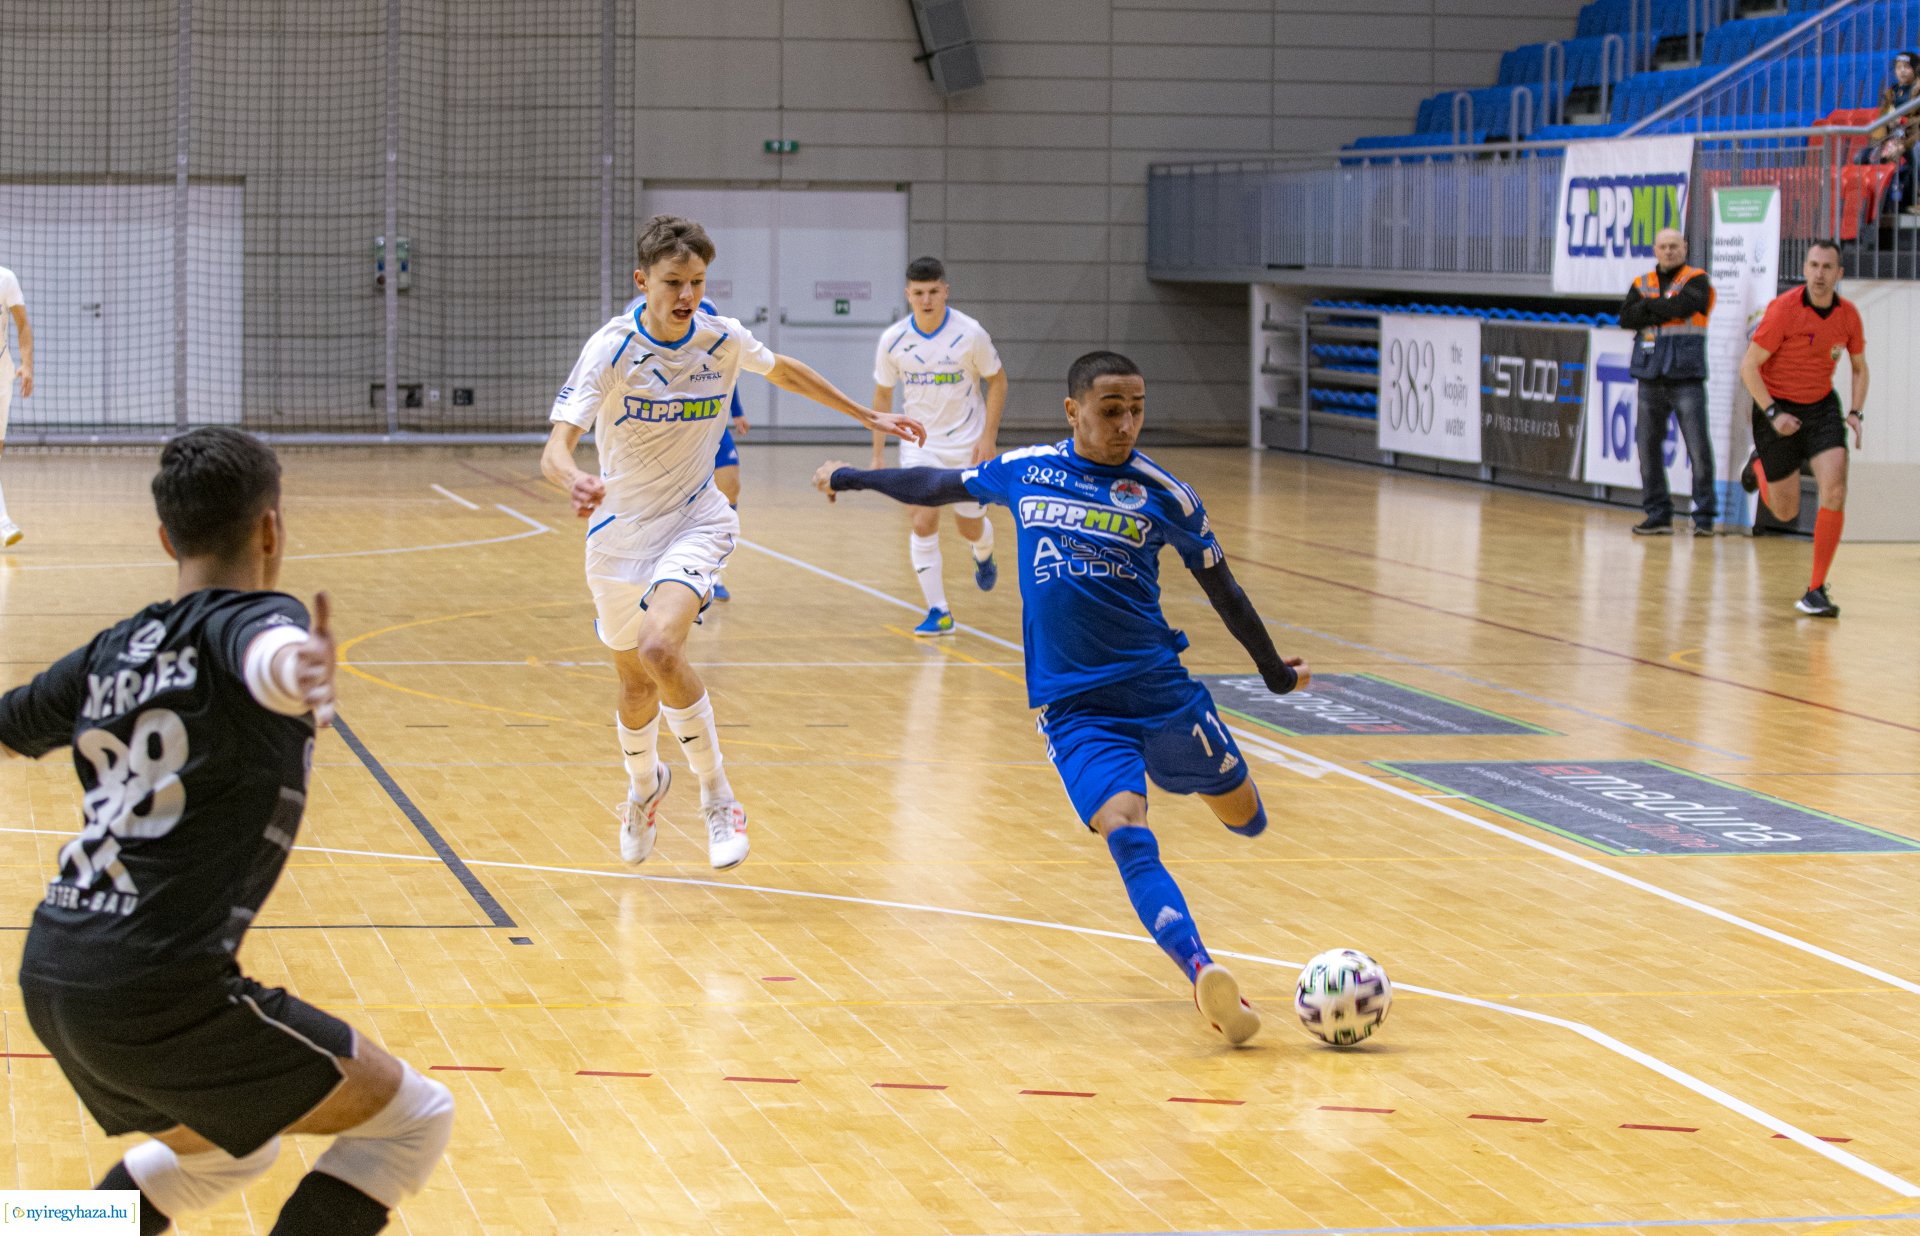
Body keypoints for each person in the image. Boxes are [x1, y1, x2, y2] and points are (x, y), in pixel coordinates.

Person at [0, 428, 453, 1234]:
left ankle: (30, 1226)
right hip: (157, 987)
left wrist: (284, 669)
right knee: (413, 1119)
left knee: (223, 1155)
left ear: (167, 536)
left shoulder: (113, 649)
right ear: (271, 529)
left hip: (56, 970)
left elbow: (8, 724)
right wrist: (298, 670)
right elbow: (266, 653)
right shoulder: (256, 620)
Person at [815, 350, 1310, 1044]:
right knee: (1126, 832)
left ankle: (1211, 790)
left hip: (1161, 691)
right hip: (1076, 706)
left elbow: (1221, 587)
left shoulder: (1165, 493)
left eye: (1137, 408)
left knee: (1246, 818)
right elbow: (937, 481)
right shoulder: (1027, 472)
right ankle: (1201, 970)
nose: (1127, 423)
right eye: (1112, 410)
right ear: (1073, 411)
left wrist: (1272, 672)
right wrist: (856, 476)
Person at [544, 215, 925, 871]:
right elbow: (555, 446)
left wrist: (868, 414)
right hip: (618, 536)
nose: (686, 296)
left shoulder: (720, 339)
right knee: (635, 687)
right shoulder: (610, 349)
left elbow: (786, 372)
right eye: (672, 283)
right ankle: (643, 789)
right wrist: (573, 478)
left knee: (660, 646)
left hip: (696, 519)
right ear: (643, 281)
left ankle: (719, 794)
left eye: (695, 282)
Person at [869, 256, 1009, 635]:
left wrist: (988, 437)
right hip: (920, 444)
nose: (926, 300)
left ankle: (984, 554)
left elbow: (997, 381)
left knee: (969, 527)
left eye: (933, 292)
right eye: (918, 293)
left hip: (968, 445)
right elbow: (882, 397)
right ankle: (939, 611)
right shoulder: (893, 339)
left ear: (945, 291)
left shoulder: (971, 333)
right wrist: (879, 453)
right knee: (922, 518)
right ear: (908, 294)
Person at [1737, 240, 1868, 618]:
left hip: (1821, 407)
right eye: (1813, 265)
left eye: (1828, 267)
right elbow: (1749, 367)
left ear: (1839, 274)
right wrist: (1774, 413)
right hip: (1775, 405)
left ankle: (1815, 590)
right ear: (1805, 268)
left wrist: (1857, 412)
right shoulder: (1784, 310)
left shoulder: (1848, 316)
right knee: (1785, 511)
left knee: (1836, 489)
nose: (1820, 273)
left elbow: (1860, 367)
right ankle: (1757, 466)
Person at [625, 291, 750, 601]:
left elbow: (724, 367)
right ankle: (655, 568)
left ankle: (711, 573)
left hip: (706, 415)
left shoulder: (709, 313)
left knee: (730, 485)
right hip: (666, 424)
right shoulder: (636, 317)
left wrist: (736, 411)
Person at [1618, 228, 1717, 537]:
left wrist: (1648, 308)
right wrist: (1660, 307)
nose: (1669, 251)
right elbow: (1625, 318)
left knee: (1698, 449)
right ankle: (1658, 515)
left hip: (1685, 375)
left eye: (1675, 246)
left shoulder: (1697, 279)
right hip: (1650, 376)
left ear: (1685, 247)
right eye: (1664, 246)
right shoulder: (1641, 282)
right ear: (1655, 250)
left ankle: (1703, 518)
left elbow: (1683, 307)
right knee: (1647, 449)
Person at [0, 262, 33, 547]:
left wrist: (26, 365)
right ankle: (3, 522)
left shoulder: (5, 278)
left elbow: (22, 324)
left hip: (2, 371)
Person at [1867, 51, 1918, 214]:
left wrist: (1903, 144)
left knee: (1917, 150)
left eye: (1906, 67)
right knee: (1861, 157)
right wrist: (1881, 143)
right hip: (1895, 138)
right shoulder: (1891, 93)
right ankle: (1874, 209)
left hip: (1913, 138)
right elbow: (1881, 122)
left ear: (1916, 69)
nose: (1902, 71)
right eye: (1898, 67)